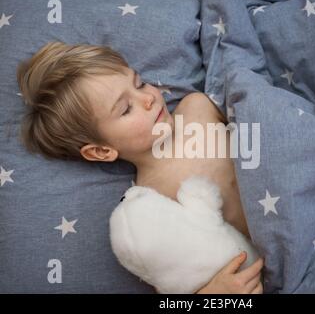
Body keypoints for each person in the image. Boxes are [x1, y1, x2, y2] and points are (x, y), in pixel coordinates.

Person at [17, 41, 264, 294]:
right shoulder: (151, 205)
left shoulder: (196, 107)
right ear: (101, 151)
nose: (148, 98)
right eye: (126, 109)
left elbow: (257, 115)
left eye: (140, 83)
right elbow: (174, 283)